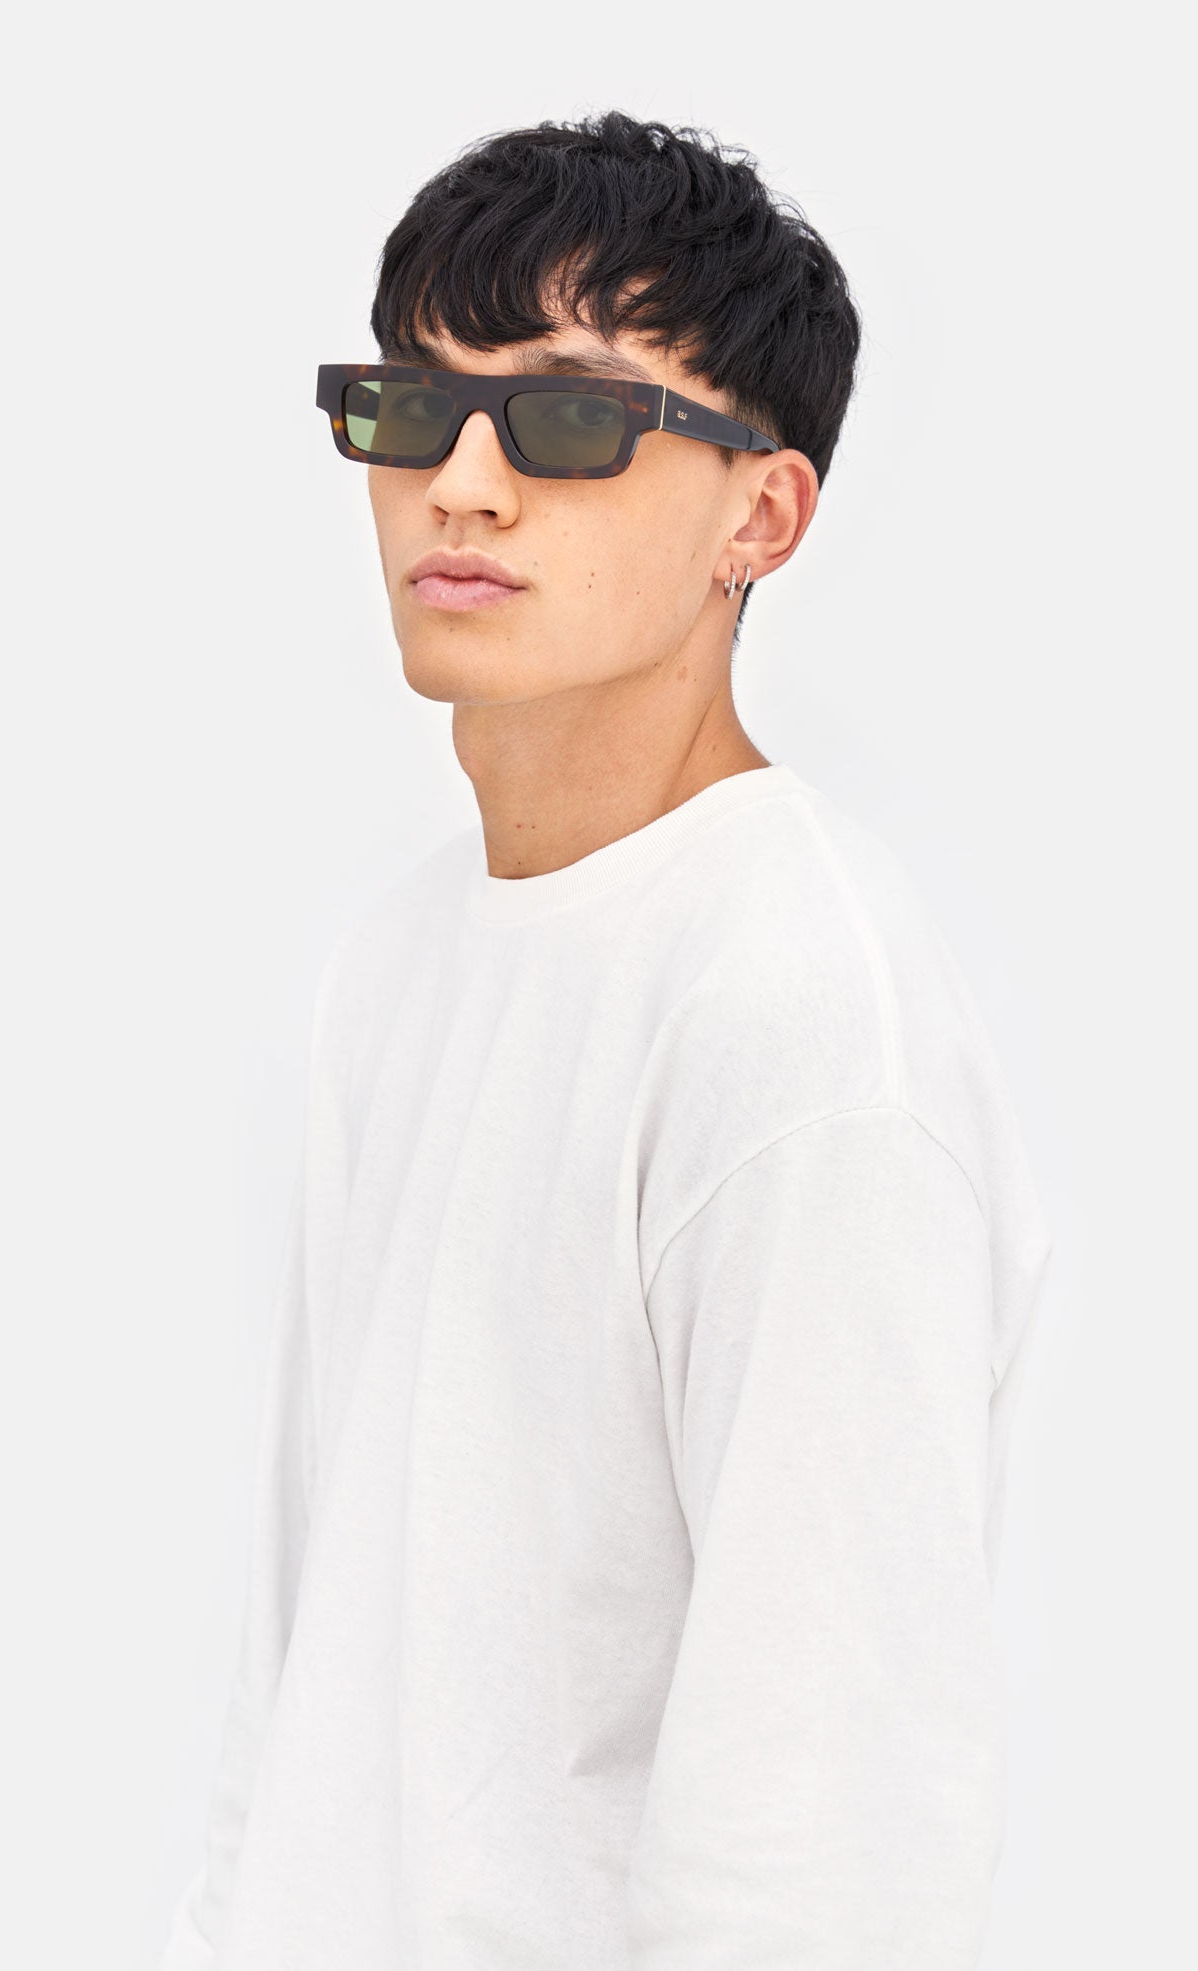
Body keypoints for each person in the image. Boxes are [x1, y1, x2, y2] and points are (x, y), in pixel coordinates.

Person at [157, 109, 1053, 1970]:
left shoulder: (796, 1007)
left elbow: (833, 1836)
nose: (462, 485)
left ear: (761, 515)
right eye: (413, 407)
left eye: (569, 418)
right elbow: (304, 1669)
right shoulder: (398, 960)